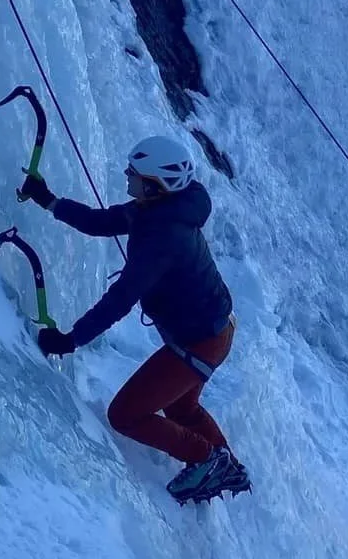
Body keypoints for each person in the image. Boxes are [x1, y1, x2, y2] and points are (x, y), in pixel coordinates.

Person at [18, 133, 249, 504]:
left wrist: (70, 340)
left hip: (200, 341)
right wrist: (49, 201)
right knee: (179, 408)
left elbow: (121, 299)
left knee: (125, 414)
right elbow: (101, 222)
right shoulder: (160, 210)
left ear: (156, 185)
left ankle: (208, 459)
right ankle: (226, 465)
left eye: (135, 173)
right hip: (211, 331)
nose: (127, 175)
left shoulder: (163, 237)